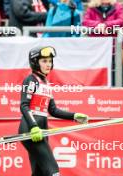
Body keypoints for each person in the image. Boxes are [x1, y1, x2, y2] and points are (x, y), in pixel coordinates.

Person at [18, 46, 88, 176]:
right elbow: (24, 105)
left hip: (42, 130)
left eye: (50, 61)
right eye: (44, 61)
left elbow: (53, 110)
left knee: (39, 172)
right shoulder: (31, 80)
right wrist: (33, 127)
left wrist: (74, 116)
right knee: (53, 170)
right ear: (35, 62)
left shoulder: (46, 83)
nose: (48, 64)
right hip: (30, 130)